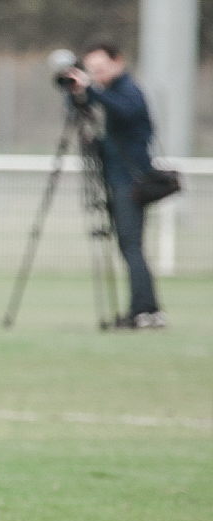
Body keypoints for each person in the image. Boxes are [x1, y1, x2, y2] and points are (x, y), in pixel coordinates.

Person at [64, 40, 165, 329]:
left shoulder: (129, 90)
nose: (96, 74)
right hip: (115, 176)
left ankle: (145, 311)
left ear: (118, 61)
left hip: (130, 179)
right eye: (91, 70)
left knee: (131, 246)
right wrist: (76, 92)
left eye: (101, 69)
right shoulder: (106, 92)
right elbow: (84, 110)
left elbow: (127, 113)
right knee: (128, 245)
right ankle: (146, 308)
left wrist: (91, 89)